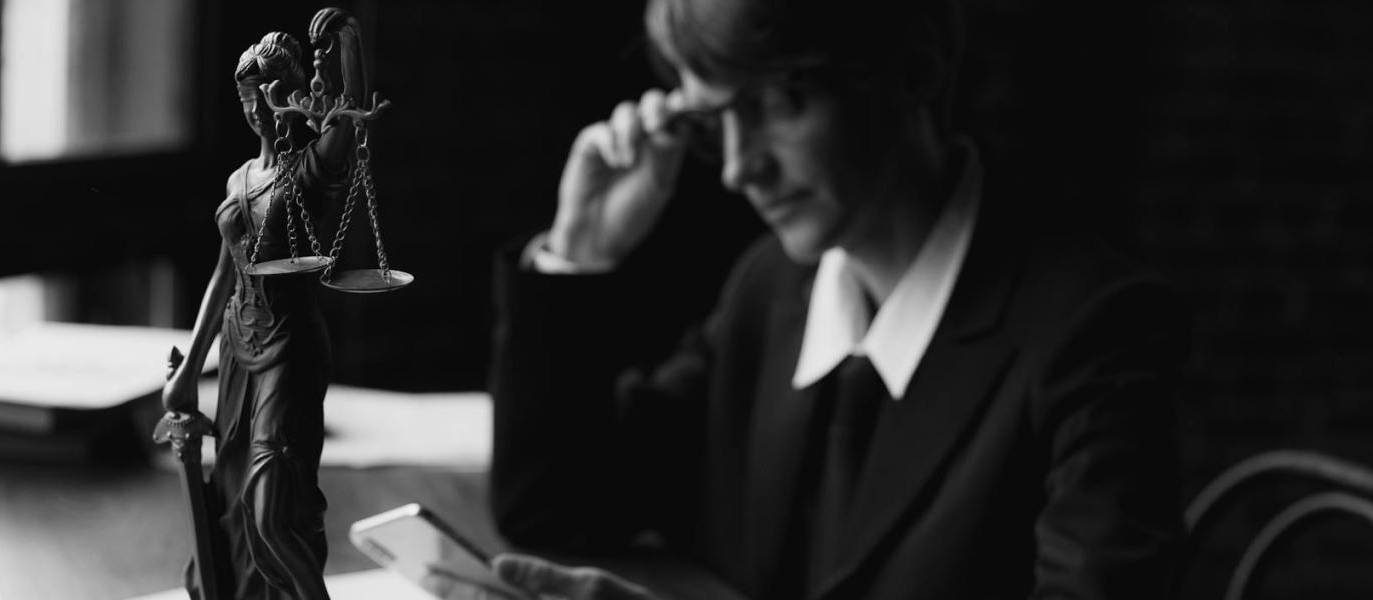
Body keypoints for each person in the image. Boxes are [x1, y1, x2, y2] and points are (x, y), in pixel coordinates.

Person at [487, 0, 1188, 598]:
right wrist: (579, 252)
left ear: (915, 69)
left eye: (779, 103)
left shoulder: (1094, 330)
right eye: (713, 121)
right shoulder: (768, 290)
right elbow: (557, 504)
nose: (738, 168)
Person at [161, 9, 366, 600]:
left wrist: (349, 44)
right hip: (236, 347)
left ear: (293, 95)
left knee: (271, 503)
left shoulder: (310, 172)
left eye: (268, 98)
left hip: (288, 348)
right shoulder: (239, 180)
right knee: (232, 499)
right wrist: (188, 373)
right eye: (248, 100)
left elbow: (351, 116)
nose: (258, 112)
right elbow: (222, 275)